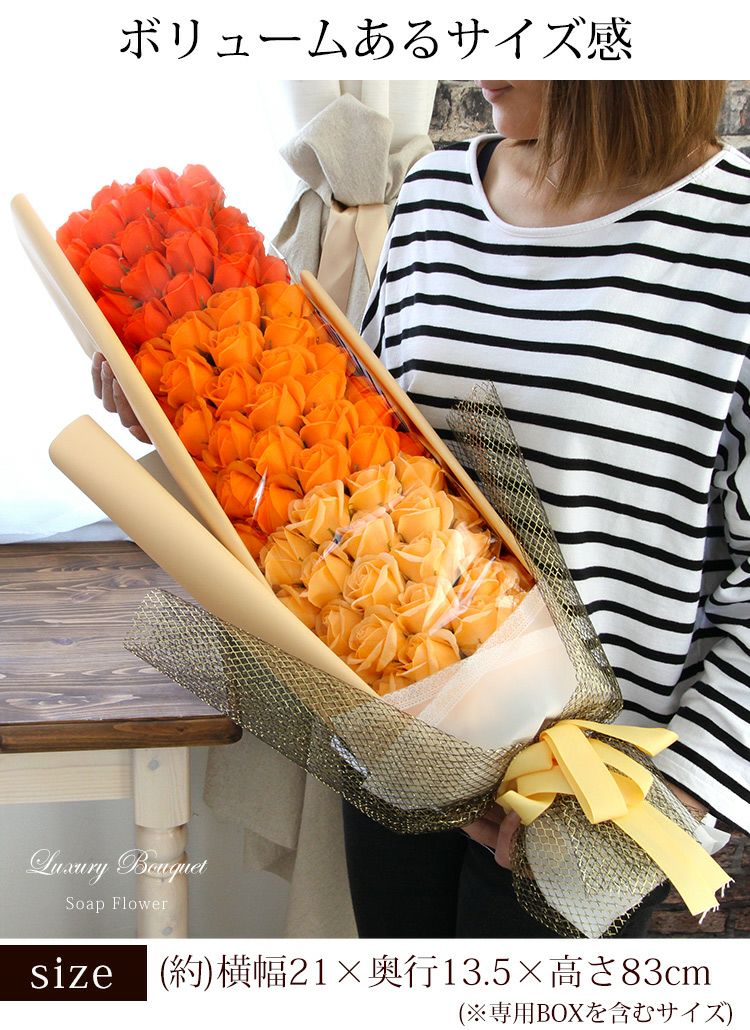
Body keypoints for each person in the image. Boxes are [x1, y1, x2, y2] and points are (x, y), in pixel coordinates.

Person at [93, 80, 750, 938]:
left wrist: (673, 798)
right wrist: (186, 400)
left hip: (590, 800)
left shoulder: (733, 237)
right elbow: (356, 446)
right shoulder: (437, 197)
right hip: (398, 761)